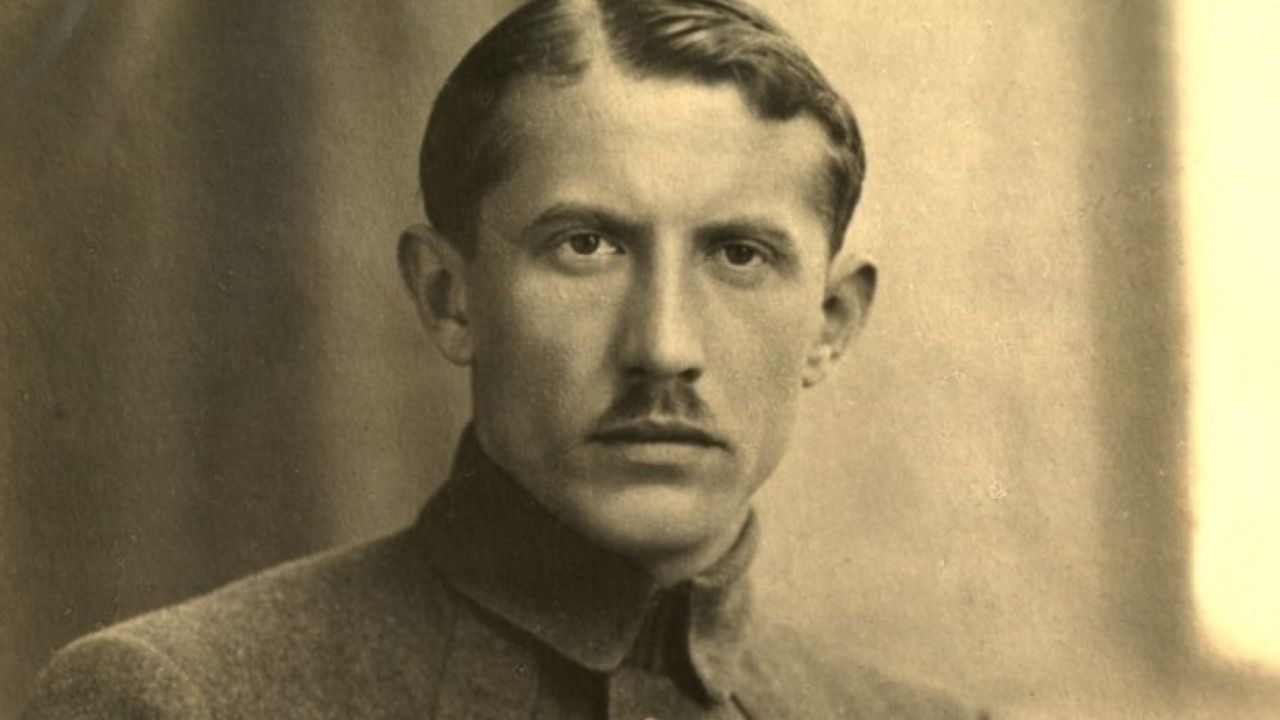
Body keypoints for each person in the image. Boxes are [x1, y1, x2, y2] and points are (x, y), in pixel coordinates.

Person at [25, 0, 987, 717]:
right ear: (451, 297)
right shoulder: (180, 700)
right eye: (586, 246)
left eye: (739, 255)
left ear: (829, 321)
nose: (663, 348)